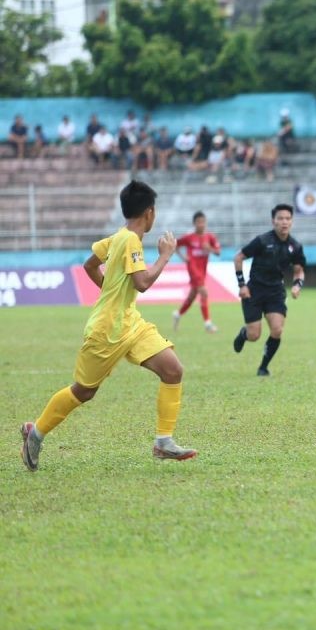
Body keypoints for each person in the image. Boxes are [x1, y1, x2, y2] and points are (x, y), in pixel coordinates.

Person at [19, 180, 197, 471]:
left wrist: (110, 292)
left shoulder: (117, 238)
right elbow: (142, 283)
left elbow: (90, 265)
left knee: (173, 369)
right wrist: (166, 255)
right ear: (149, 213)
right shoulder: (130, 242)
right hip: (107, 330)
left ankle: (164, 442)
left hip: (129, 322)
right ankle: (35, 432)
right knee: (84, 391)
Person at [232, 204, 306, 376]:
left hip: (275, 293)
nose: (284, 222)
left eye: (287, 219)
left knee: (277, 330)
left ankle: (263, 367)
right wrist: (241, 285)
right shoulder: (262, 241)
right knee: (254, 335)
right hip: (254, 292)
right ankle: (244, 334)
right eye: (280, 218)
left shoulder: (295, 246)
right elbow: (239, 257)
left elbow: (299, 270)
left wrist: (297, 285)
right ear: (274, 221)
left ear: (292, 222)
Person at [173, 211, 221, 333]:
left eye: (203, 222)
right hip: (193, 268)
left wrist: (208, 248)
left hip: (202, 269)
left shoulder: (210, 237)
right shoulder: (189, 237)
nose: (201, 224)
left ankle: (178, 314)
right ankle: (208, 324)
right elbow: (175, 244)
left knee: (193, 295)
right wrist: (183, 258)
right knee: (203, 292)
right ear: (194, 224)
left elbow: (218, 252)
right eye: (199, 222)